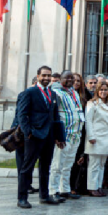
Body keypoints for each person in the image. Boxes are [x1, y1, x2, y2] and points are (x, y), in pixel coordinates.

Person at [16, 66, 66, 208]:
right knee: (27, 167)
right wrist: (28, 132)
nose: (46, 78)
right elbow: (22, 114)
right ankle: (22, 198)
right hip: (34, 135)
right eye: (44, 75)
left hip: (49, 136)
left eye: (48, 75)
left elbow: (55, 116)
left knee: (45, 167)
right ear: (38, 76)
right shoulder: (29, 92)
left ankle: (44, 196)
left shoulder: (52, 94)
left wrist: (58, 136)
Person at [48, 71, 84, 200]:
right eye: (67, 78)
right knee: (57, 165)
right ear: (60, 79)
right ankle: (53, 190)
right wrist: (57, 136)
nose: (70, 80)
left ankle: (65, 189)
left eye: (71, 78)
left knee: (68, 165)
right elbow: (53, 115)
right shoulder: (56, 92)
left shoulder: (74, 92)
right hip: (64, 135)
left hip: (75, 134)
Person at [84, 80, 108, 197]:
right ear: (97, 91)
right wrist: (91, 136)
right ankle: (92, 187)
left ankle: (98, 186)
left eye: (105, 90)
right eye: (101, 90)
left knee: (102, 164)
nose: (103, 92)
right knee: (94, 164)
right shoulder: (92, 103)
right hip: (96, 137)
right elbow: (88, 121)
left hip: (107, 138)